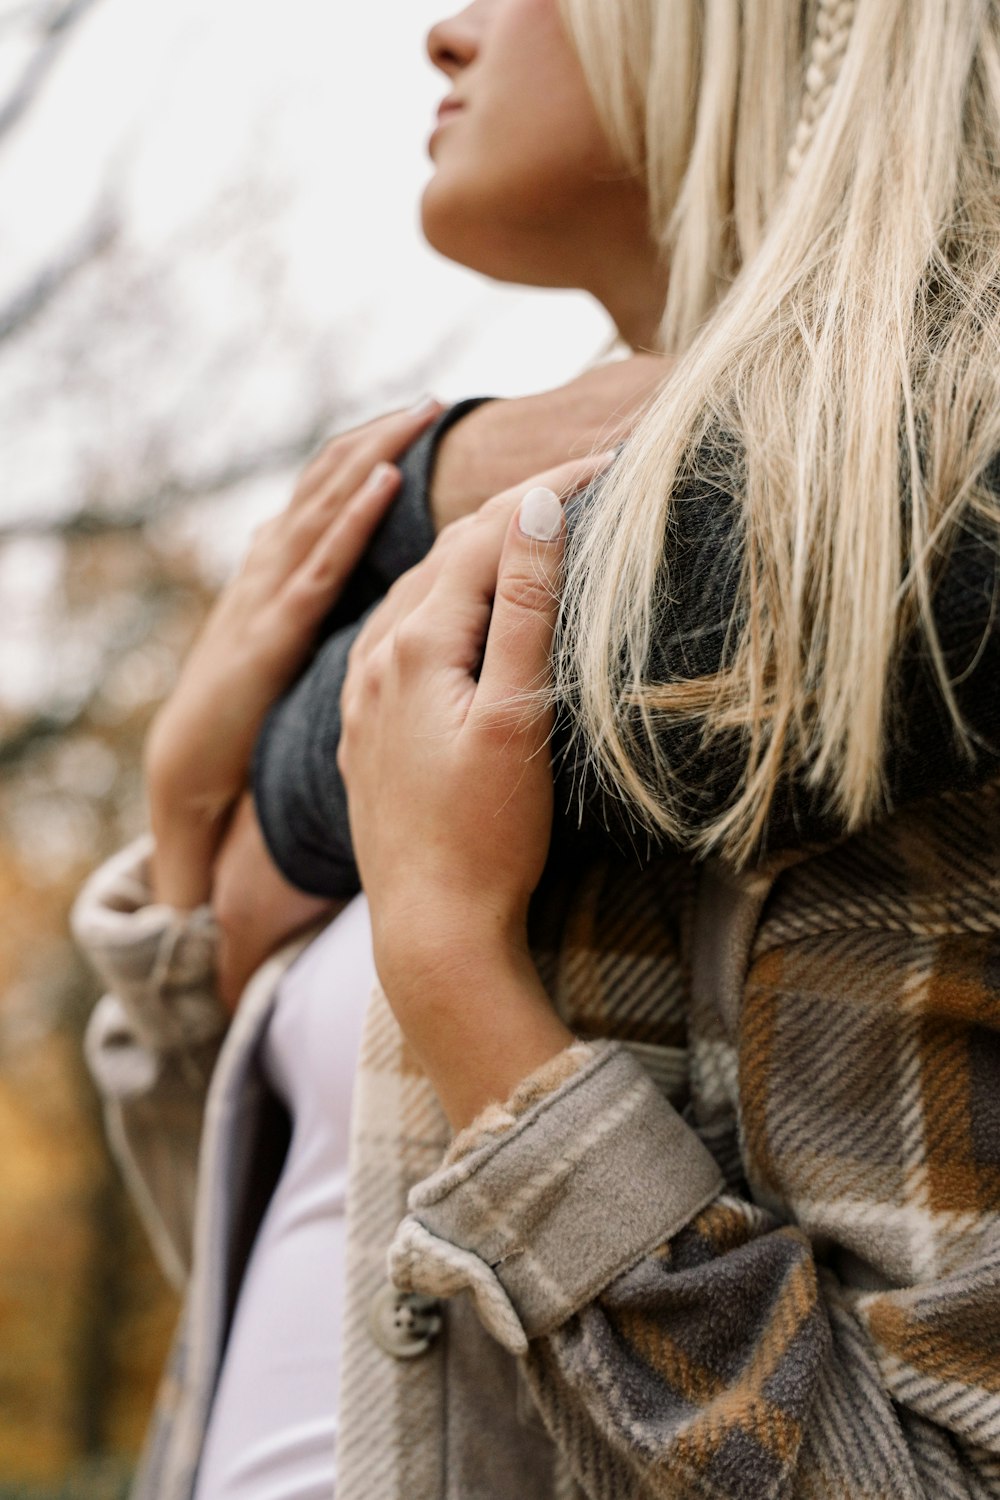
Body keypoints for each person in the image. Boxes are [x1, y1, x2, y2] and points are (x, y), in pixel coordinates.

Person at [72, 1, 1000, 1498]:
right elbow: (320, 1289)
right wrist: (191, 804)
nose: (445, 31)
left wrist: (458, 974)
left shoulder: (843, 609)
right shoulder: (474, 609)